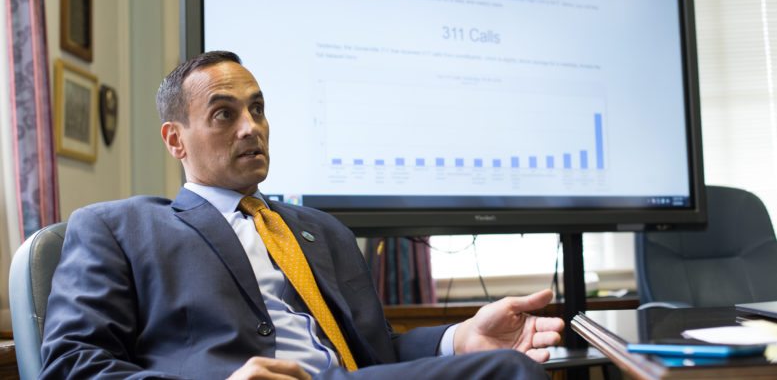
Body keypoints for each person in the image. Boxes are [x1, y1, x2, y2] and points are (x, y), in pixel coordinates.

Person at [40, 51, 564, 379]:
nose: (251, 127)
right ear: (175, 139)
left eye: (257, 109)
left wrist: (458, 339)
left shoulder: (322, 229)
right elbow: (72, 365)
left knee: (501, 364)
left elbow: (373, 351)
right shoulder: (118, 228)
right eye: (224, 114)